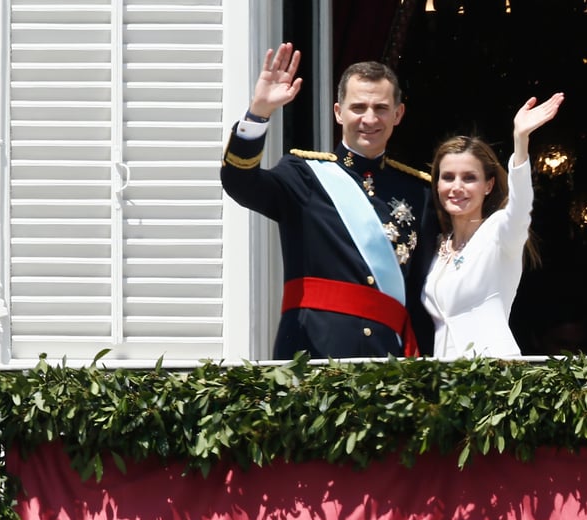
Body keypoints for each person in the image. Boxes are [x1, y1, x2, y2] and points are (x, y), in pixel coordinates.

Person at [220, 43, 435, 359]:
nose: (369, 119)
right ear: (338, 112)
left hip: (390, 363)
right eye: (358, 107)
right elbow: (239, 182)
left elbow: (420, 297)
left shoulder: (420, 192)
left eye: (381, 108)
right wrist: (259, 112)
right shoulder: (304, 175)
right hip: (312, 355)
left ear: (398, 114)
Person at [421, 93, 564, 359]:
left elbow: (520, 207)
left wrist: (520, 143)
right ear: (437, 184)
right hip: (445, 383)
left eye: (469, 178)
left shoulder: (499, 231)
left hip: (491, 377)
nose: (457, 187)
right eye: (448, 177)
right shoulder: (439, 243)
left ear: (488, 185)